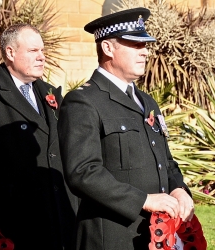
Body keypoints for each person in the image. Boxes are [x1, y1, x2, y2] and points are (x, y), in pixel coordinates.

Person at [57, 8, 194, 250]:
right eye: (135, 44)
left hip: (156, 235)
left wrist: (179, 189)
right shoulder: (83, 101)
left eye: (145, 45)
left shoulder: (146, 101)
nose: (145, 52)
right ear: (108, 48)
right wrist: (143, 200)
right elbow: (82, 172)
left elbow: (165, 160)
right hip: (112, 237)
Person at [0, 23, 78, 250]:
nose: (42, 57)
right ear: (10, 53)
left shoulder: (51, 93)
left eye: (42, 51)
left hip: (61, 220)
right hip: (15, 224)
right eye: (33, 51)